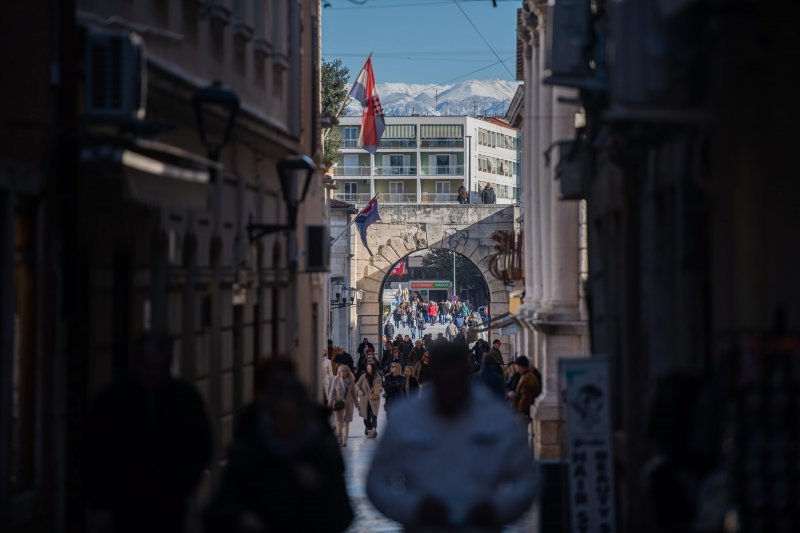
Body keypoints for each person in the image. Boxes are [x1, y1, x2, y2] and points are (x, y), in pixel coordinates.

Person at [366, 341, 537, 529]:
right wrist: (414, 507)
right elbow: (377, 481)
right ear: (433, 374)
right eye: (442, 375)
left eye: (454, 374)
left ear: (465, 371)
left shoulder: (495, 416)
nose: (449, 382)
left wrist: (496, 507)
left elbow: (526, 479)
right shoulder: (406, 416)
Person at [205, 359, 353, 533]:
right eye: (279, 415)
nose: (286, 423)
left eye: (292, 415)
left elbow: (342, 514)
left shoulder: (319, 446)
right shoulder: (251, 443)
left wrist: (319, 487)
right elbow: (219, 508)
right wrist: (241, 517)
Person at [85, 332, 212, 533]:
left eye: (158, 367)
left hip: (168, 505)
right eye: (147, 366)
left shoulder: (184, 400)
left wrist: (182, 485)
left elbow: (201, 446)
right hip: (122, 505)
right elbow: (92, 450)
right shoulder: (113, 400)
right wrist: (100, 500)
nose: (152, 374)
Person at [327, 366, 358, 447]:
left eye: (344, 371)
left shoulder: (351, 381)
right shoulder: (335, 380)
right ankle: (339, 436)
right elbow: (332, 392)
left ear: (347, 372)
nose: (343, 373)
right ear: (339, 372)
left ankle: (345, 440)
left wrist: (358, 405)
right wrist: (329, 404)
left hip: (348, 404)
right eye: (341, 371)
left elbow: (354, 394)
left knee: (346, 422)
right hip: (338, 403)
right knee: (339, 422)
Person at [356, 362, 382, 439]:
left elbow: (380, 387)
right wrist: (359, 390)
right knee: (365, 416)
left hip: (374, 398)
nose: (368, 369)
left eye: (369, 368)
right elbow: (357, 385)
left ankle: (373, 430)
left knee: (374, 415)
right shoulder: (363, 376)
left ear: (373, 368)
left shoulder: (378, 377)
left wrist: (378, 390)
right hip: (365, 399)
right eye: (367, 368)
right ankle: (369, 428)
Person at [512, 356, 542, 422]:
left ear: (520, 366)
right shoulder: (525, 376)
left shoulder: (528, 378)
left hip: (523, 414)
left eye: (516, 365)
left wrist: (519, 412)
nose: (515, 367)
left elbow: (525, 398)